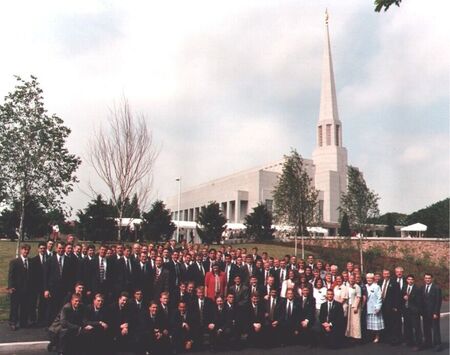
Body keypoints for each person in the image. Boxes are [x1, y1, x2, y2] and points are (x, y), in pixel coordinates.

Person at [7, 244, 34, 330]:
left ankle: (23, 322)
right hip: (16, 289)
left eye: (27, 250)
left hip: (27, 289)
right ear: (21, 250)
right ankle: (13, 322)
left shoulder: (31, 261)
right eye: (24, 250)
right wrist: (11, 287)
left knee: (25, 306)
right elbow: (11, 276)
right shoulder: (14, 262)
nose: (26, 251)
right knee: (15, 307)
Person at [421, 273, 442, 351]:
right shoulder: (422, 287)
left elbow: (438, 301)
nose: (427, 279)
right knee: (426, 328)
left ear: (432, 279)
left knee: (435, 329)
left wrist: (436, 313)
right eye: (426, 278)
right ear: (424, 279)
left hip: (433, 313)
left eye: (429, 278)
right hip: (425, 313)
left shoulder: (436, 288)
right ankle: (428, 343)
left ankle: (437, 344)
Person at [379, 269, 400, 344]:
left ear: (389, 274)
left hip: (391, 306)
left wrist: (395, 306)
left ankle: (393, 339)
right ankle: (385, 338)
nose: (386, 275)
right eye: (385, 274)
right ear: (383, 274)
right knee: (384, 322)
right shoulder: (380, 282)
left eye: (387, 274)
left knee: (392, 323)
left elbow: (397, 296)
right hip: (382, 306)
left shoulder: (394, 283)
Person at [402, 274, 422, 351]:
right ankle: (409, 341)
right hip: (406, 310)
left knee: (416, 327)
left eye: (411, 279)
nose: (410, 281)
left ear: (414, 280)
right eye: (408, 279)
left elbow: (418, 300)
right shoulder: (404, 287)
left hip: (414, 311)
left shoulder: (417, 288)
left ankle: (418, 344)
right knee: (407, 327)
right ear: (406, 280)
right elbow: (402, 297)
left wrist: (409, 297)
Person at [365, 273, 384, 343]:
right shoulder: (365, 286)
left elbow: (379, 297)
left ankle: (377, 337)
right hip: (367, 308)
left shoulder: (377, 286)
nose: (369, 280)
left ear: (373, 279)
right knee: (369, 324)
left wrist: (378, 307)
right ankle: (370, 337)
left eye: (370, 278)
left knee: (376, 325)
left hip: (375, 307)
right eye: (368, 278)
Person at [345, 274, 362, 341]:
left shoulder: (357, 287)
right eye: (350, 278)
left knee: (355, 322)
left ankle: (356, 337)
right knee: (349, 321)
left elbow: (358, 297)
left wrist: (356, 306)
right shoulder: (347, 286)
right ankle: (349, 335)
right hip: (348, 305)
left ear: (354, 279)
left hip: (355, 306)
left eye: (353, 278)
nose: (351, 280)